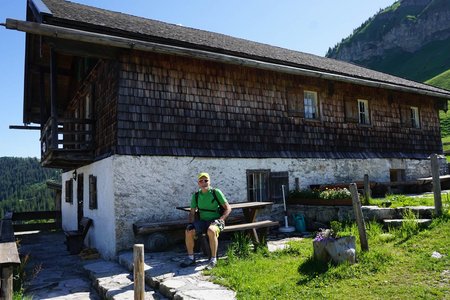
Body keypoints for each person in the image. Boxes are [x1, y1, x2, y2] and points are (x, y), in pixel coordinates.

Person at [180, 172, 232, 269]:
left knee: (211, 231)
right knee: (188, 231)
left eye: (206, 180)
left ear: (209, 181)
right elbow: (192, 212)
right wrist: (190, 224)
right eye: (201, 181)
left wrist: (221, 220)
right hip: (202, 221)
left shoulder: (216, 192)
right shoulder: (196, 196)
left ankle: (213, 259)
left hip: (216, 220)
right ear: (198, 183)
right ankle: (190, 258)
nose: (204, 182)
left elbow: (228, 208)